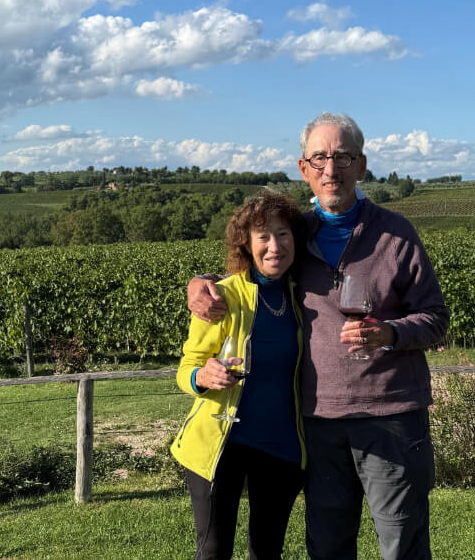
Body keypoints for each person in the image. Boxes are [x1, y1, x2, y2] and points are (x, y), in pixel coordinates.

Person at [188, 112, 449, 560]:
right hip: (319, 423)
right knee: (327, 548)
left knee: (402, 544)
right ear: (304, 167)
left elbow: (436, 318)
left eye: (344, 157)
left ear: (361, 166)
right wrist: (201, 282)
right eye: (320, 157)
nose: (332, 169)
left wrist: (389, 332)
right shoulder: (298, 232)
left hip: (391, 418)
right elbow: (252, 269)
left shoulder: (396, 234)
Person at [171, 192, 308, 560]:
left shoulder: (306, 298)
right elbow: (186, 368)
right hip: (220, 443)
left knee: (267, 552)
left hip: (281, 446)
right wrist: (203, 375)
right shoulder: (221, 296)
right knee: (214, 551)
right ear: (246, 245)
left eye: (282, 234)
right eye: (263, 236)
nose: (274, 246)